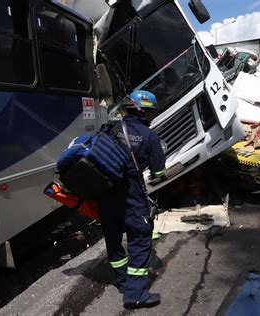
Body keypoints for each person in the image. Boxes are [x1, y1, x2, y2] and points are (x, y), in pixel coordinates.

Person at [97, 90, 166, 309]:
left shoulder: (109, 128)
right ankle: (135, 294)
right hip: (132, 198)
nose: (152, 116)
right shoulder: (150, 137)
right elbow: (158, 173)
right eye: (151, 112)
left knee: (114, 241)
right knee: (140, 240)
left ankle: (123, 282)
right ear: (142, 111)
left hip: (106, 197)